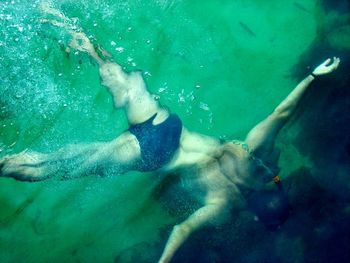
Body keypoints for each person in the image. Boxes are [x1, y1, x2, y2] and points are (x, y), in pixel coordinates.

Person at [0, 5, 340, 263]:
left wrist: (313, 77)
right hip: (156, 140)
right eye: (274, 175)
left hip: (158, 136)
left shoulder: (236, 176)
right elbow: (184, 229)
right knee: (68, 149)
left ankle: (50, 17)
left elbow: (280, 113)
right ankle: (48, 16)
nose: (269, 171)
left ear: (262, 188)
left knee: (103, 92)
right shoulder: (234, 184)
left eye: (271, 179)